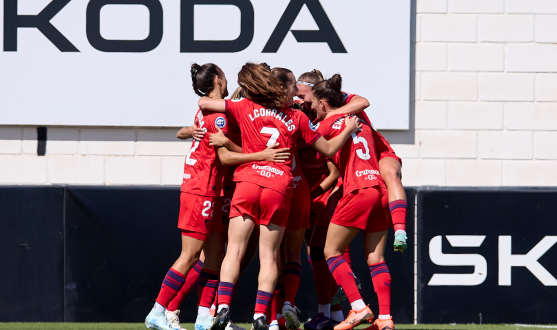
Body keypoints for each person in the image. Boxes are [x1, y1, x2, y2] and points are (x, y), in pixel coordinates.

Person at [198, 63, 361, 330]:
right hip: (278, 188)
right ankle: (261, 315)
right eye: (292, 87)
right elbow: (330, 147)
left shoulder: (243, 106)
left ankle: (223, 307)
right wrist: (348, 128)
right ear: (282, 89)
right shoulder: (297, 118)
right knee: (270, 257)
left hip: (247, 183)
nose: (294, 93)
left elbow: (204, 101)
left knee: (235, 251)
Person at [145, 63, 291, 330]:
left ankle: (204, 318)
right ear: (218, 78)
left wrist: (189, 131)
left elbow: (188, 129)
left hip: (213, 189)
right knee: (191, 256)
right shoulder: (222, 115)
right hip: (203, 188)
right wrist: (262, 155)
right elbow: (223, 153)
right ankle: (160, 310)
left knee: (215, 256)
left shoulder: (208, 108)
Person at [312, 74, 395, 330]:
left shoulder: (323, 126)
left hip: (357, 191)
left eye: (313, 103)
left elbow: (319, 148)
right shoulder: (362, 122)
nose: (312, 108)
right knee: (377, 258)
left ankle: (358, 307)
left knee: (330, 252)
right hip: (380, 190)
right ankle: (385, 319)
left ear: (324, 104)